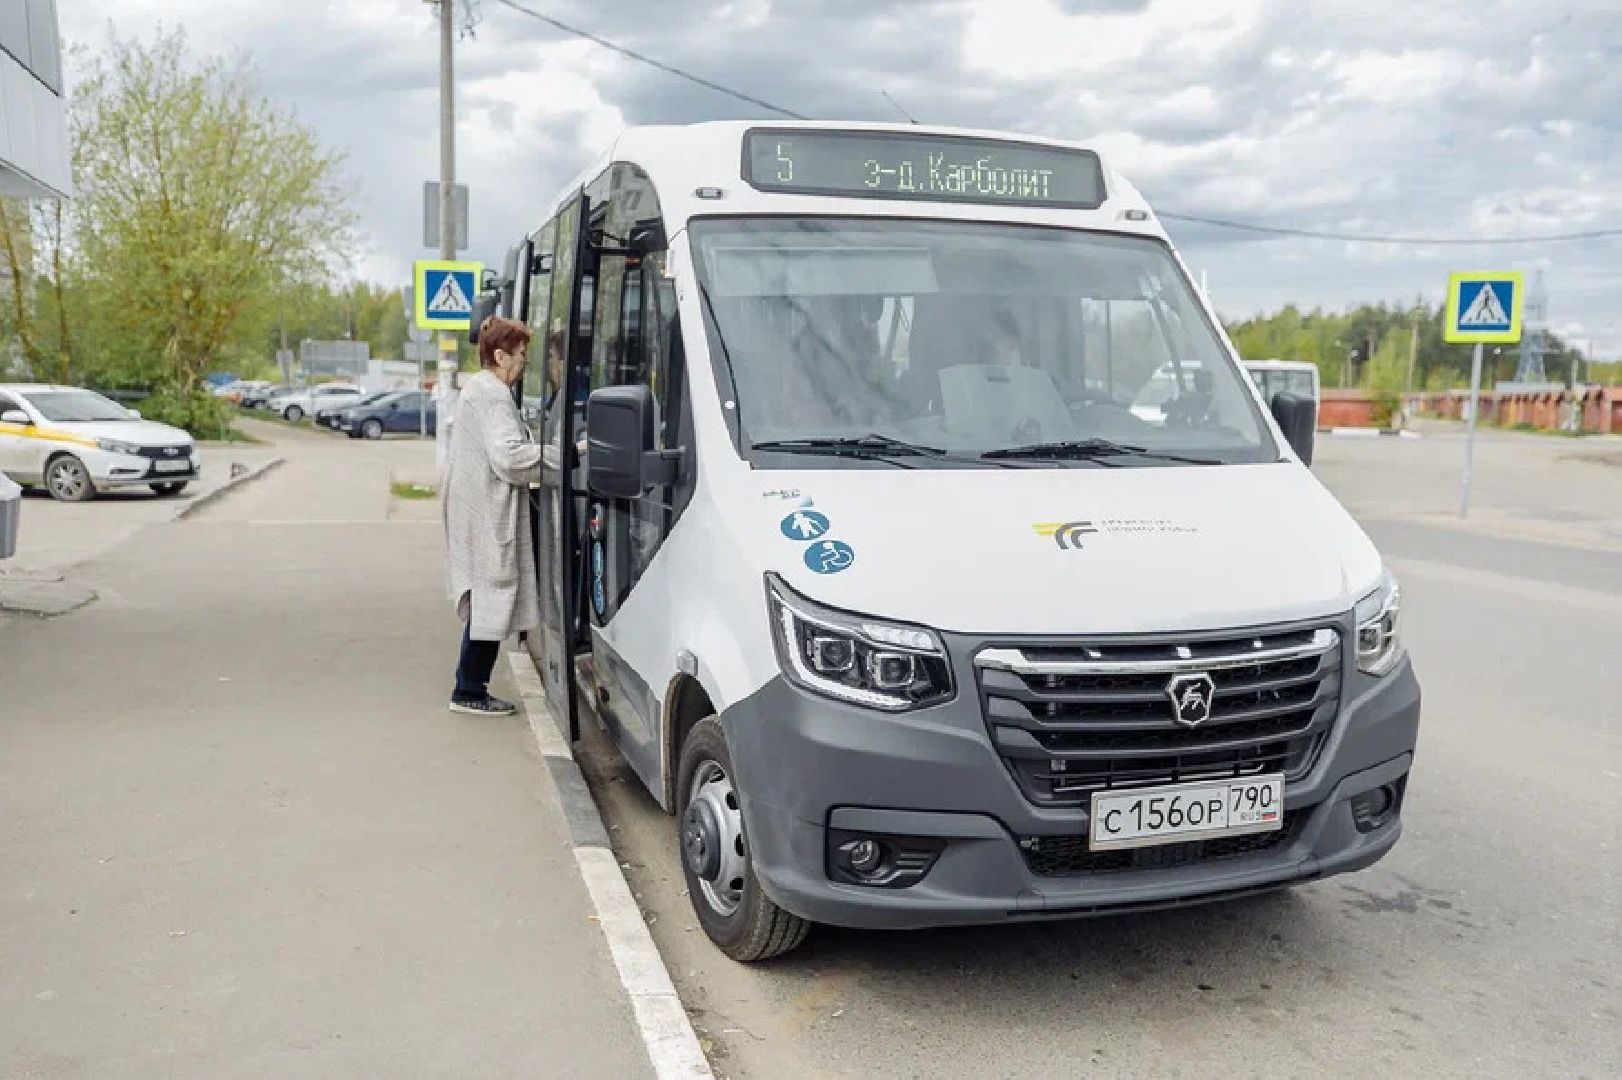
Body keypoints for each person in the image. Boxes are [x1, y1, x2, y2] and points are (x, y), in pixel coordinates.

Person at [443, 315, 543, 716]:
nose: (523, 364)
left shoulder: (481, 389)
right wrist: (564, 455)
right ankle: (468, 691)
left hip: (476, 506)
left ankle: (469, 686)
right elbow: (511, 458)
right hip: (486, 510)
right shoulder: (493, 395)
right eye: (521, 356)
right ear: (500, 355)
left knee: (488, 598)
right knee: (491, 597)